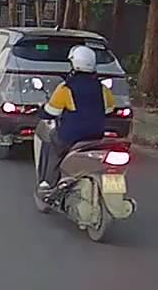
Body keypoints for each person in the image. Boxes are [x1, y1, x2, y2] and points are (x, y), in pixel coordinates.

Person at [37, 45, 116, 190]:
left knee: (50, 138)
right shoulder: (102, 88)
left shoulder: (66, 88)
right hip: (96, 137)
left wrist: (40, 110)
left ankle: (48, 182)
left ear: (74, 63)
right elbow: (109, 110)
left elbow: (51, 112)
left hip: (70, 138)